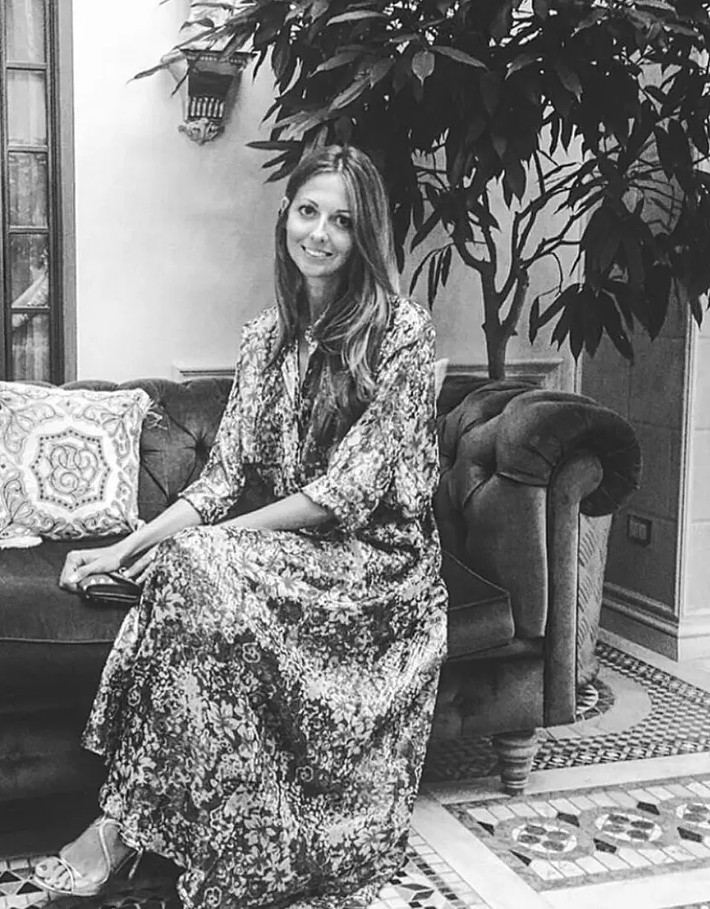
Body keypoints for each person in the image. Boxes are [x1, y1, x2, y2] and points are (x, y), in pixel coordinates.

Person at [30, 144, 448, 908]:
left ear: (366, 235)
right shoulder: (265, 337)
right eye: (309, 211)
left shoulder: (402, 333)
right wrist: (120, 548)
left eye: (343, 221)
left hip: (378, 565)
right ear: (285, 216)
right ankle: (140, 824)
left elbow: (343, 494)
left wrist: (216, 545)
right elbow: (220, 479)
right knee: (188, 569)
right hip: (296, 552)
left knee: (197, 563)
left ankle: (121, 827)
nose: (320, 233)